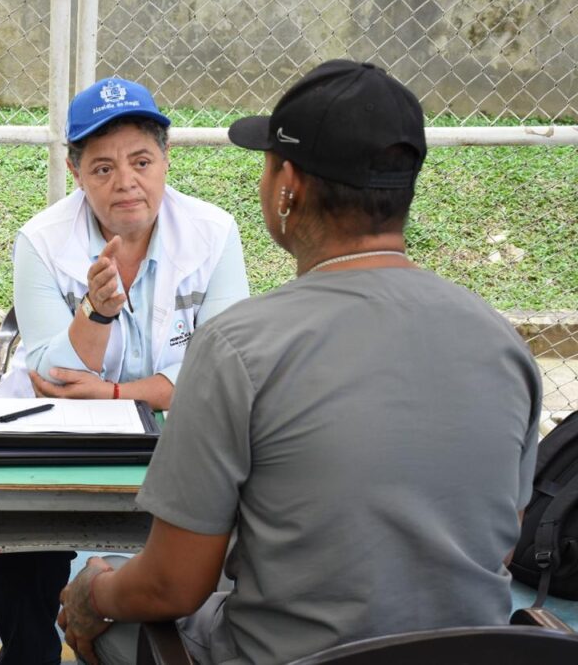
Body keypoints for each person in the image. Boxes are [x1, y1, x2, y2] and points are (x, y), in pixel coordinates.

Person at [57, 60, 542, 665]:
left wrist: (92, 589)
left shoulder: (239, 348)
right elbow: (500, 543)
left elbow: (172, 585)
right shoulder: (504, 345)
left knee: (110, 622)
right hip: (473, 653)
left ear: (287, 186)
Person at [0, 77, 250, 664]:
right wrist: (96, 312)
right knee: (17, 522)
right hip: (58, 431)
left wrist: (114, 391)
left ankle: (173, 637)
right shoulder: (42, 239)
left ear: (166, 160)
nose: (125, 182)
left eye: (141, 161)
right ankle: (27, 651)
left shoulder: (213, 232)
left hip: (178, 437)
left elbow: (225, 368)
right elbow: (50, 373)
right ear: (75, 171)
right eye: (102, 168)